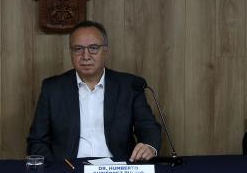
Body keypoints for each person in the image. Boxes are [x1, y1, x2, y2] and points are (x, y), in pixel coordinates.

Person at [27, 20, 161, 162]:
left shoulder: (129, 86)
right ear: (71, 52)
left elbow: (148, 127)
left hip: (117, 167)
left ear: (105, 51)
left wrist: (149, 146)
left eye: (93, 48)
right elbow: (37, 141)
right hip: (69, 167)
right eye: (78, 49)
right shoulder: (53, 88)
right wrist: (56, 169)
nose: (86, 56)